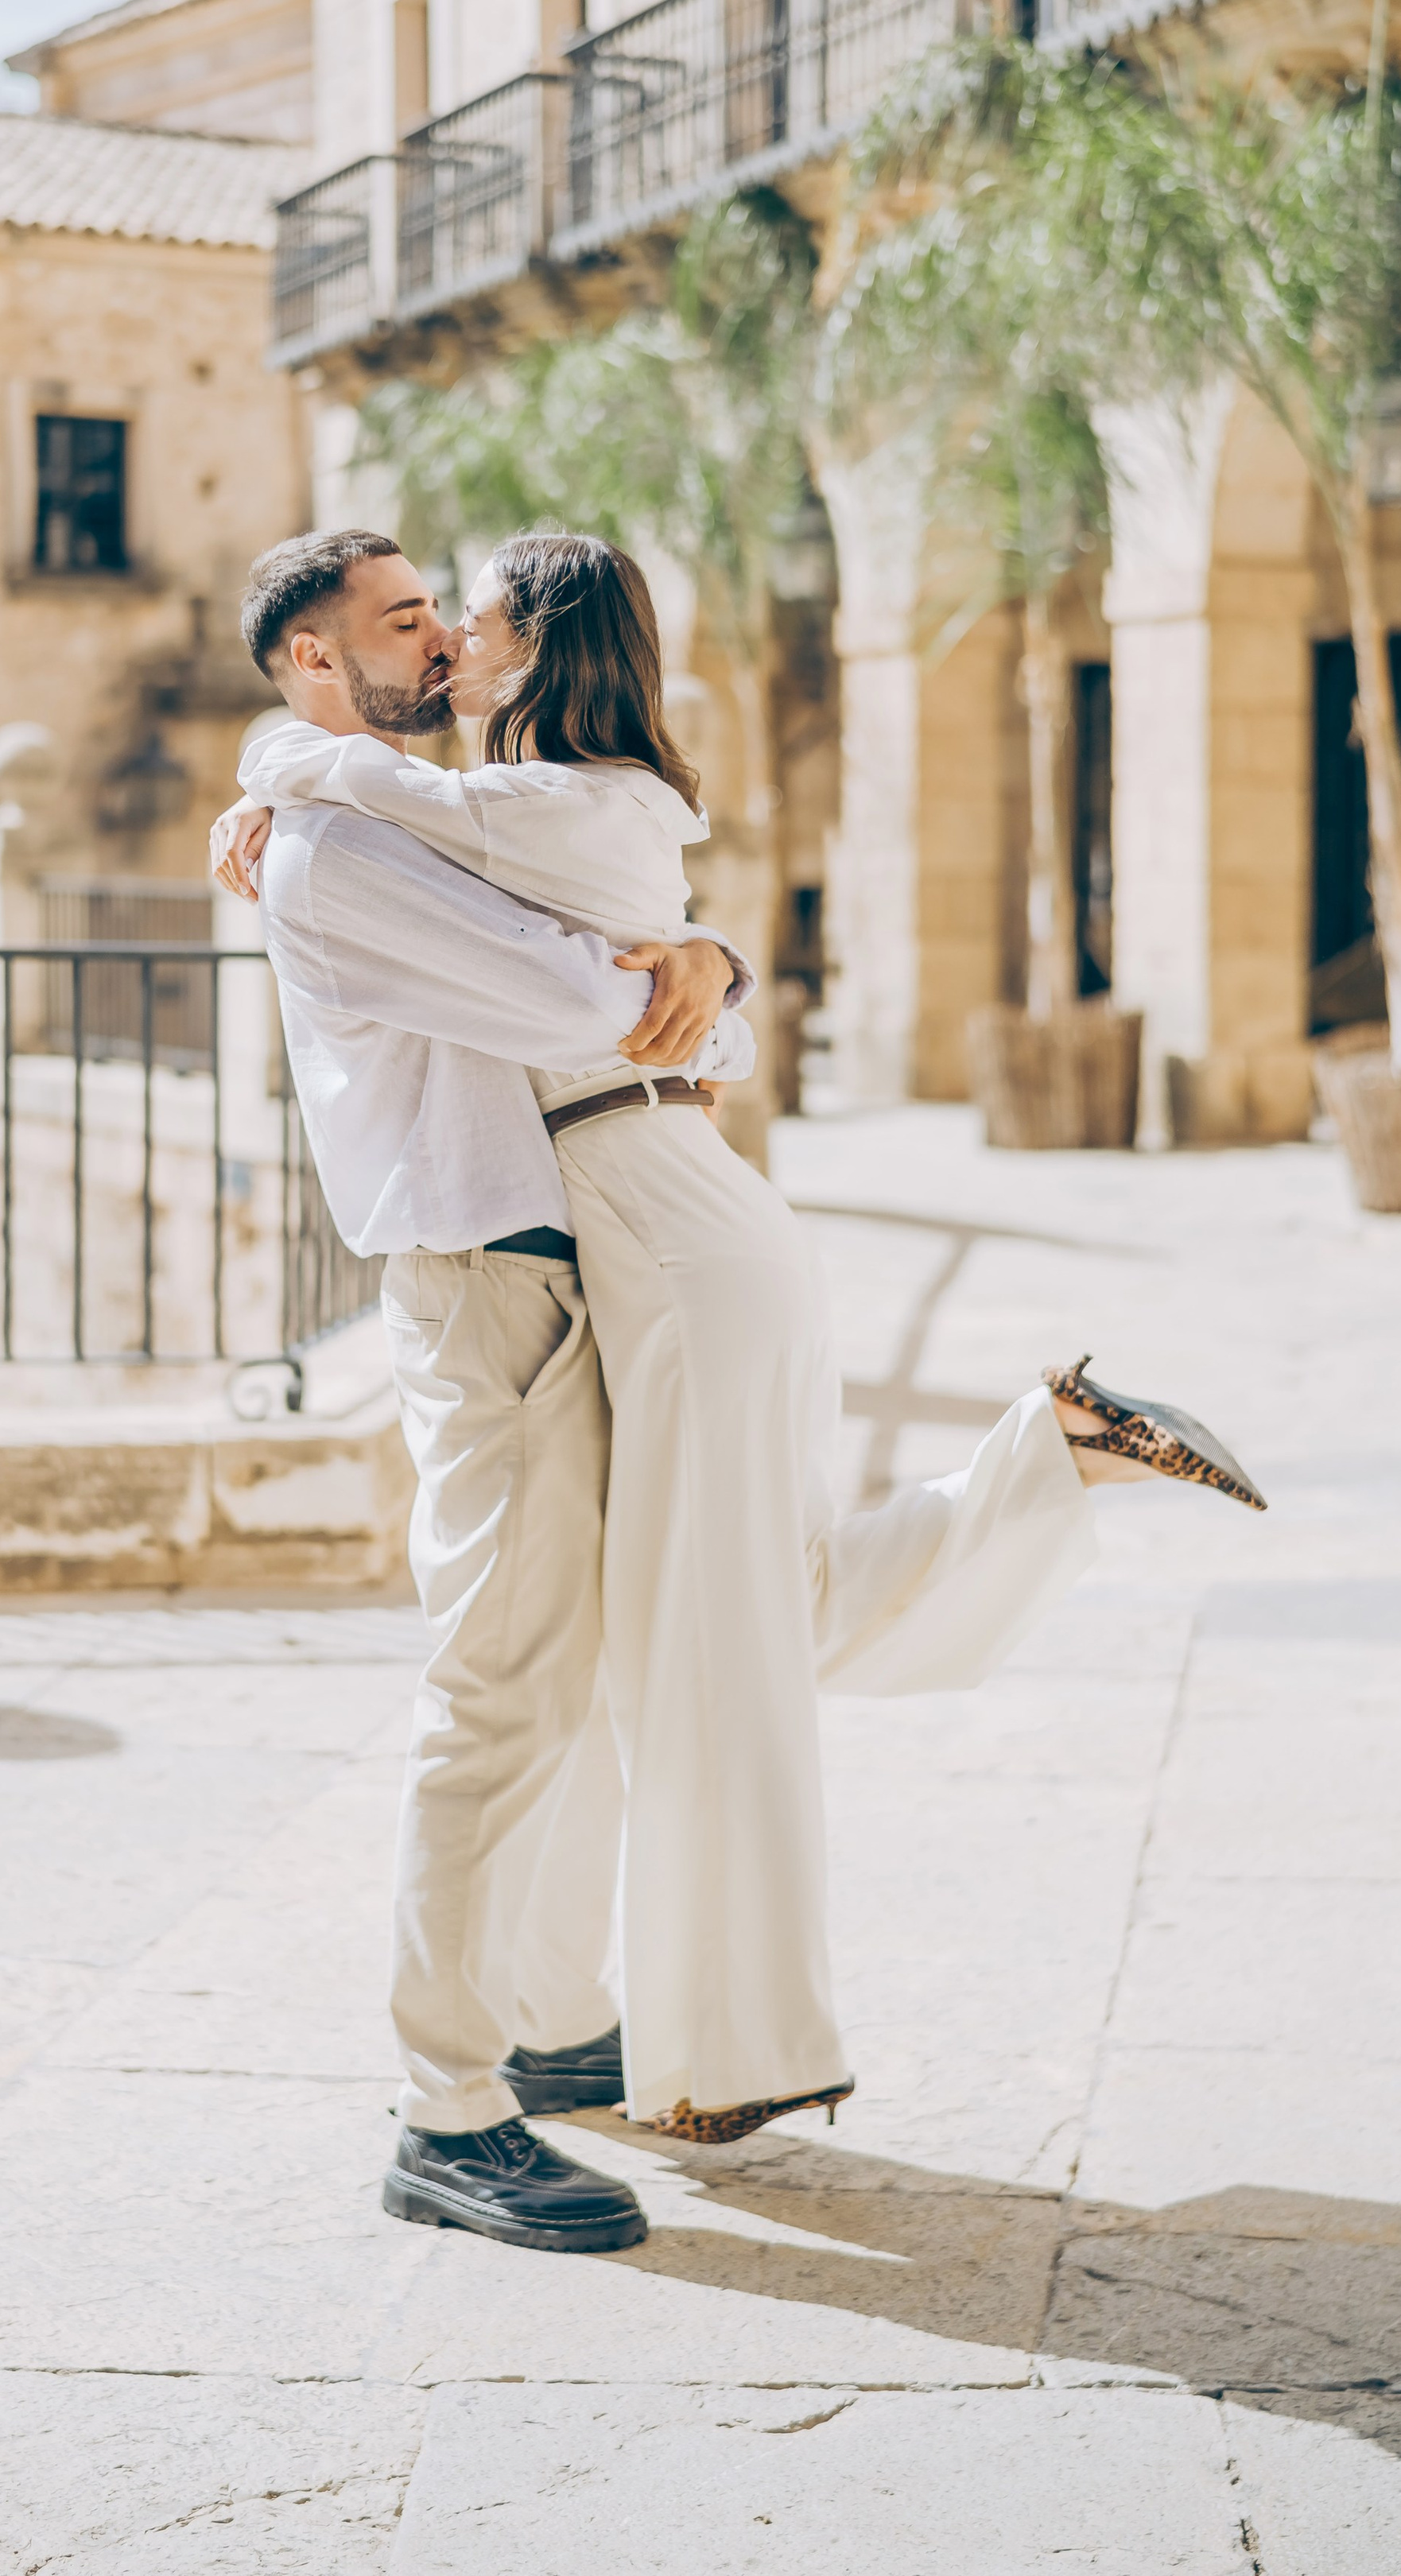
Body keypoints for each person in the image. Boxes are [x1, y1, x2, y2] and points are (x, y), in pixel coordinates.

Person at [215, 525, 1264, 2253]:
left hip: (583, 1267)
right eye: (402, 623)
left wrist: (712, 969)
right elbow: (583, 996)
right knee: (504, 1692)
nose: (436, 644)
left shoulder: (429, 810)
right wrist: (692, 969)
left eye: (443, 614)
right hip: (491, 1288)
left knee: (605, 1662)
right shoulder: (330, 846)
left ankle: (546, 2029)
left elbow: (667, 1007)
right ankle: (443, 2109)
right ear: (315, 666)